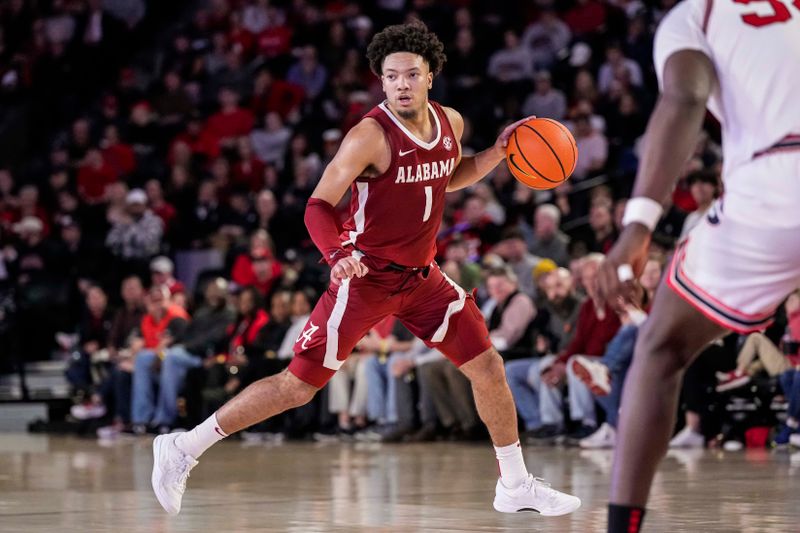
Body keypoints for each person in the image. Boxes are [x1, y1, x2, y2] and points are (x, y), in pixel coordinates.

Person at [152, 21, 580, 517]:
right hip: (365, 277)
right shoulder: (369, 136)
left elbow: (449, 174)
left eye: (411, 74)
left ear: (429, 77)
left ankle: (515, 483)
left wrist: (497, 154)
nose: (401, 83)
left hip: (422, 279)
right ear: (381, 81)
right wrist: (337, 256)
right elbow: (317, 206)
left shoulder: (451, 123)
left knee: (487, 365)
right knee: (297, 387)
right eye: (392, 75)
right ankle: (183, 448)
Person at [594, 2, 800, 531]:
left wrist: (638, 224)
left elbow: (684, 96)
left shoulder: (698, 13)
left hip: (778, 183)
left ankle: (623, 526)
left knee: (660, 348)